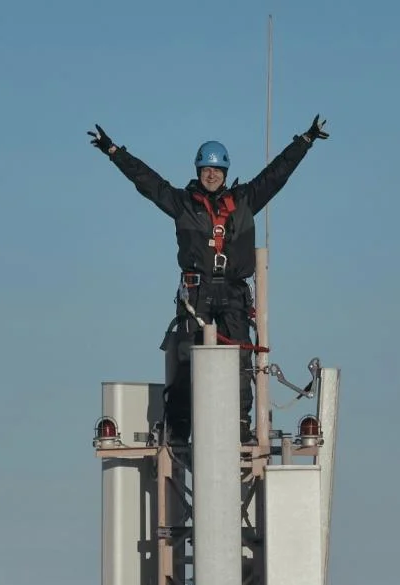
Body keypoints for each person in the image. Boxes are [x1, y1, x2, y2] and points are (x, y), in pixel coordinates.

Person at [88, 115, 329, 445]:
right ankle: (179, 426)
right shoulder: (182, 204)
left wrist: (305, 141)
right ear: (198, 171)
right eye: (205, 169)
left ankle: (241, 423)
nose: (211, 174)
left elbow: (277, 174)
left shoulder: (245, 201)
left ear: (226, 173)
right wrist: (114, 151)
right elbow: (147, 181)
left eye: (216, 170)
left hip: (232, 291)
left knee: (242, 356)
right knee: (187, 355)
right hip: (196, 292)